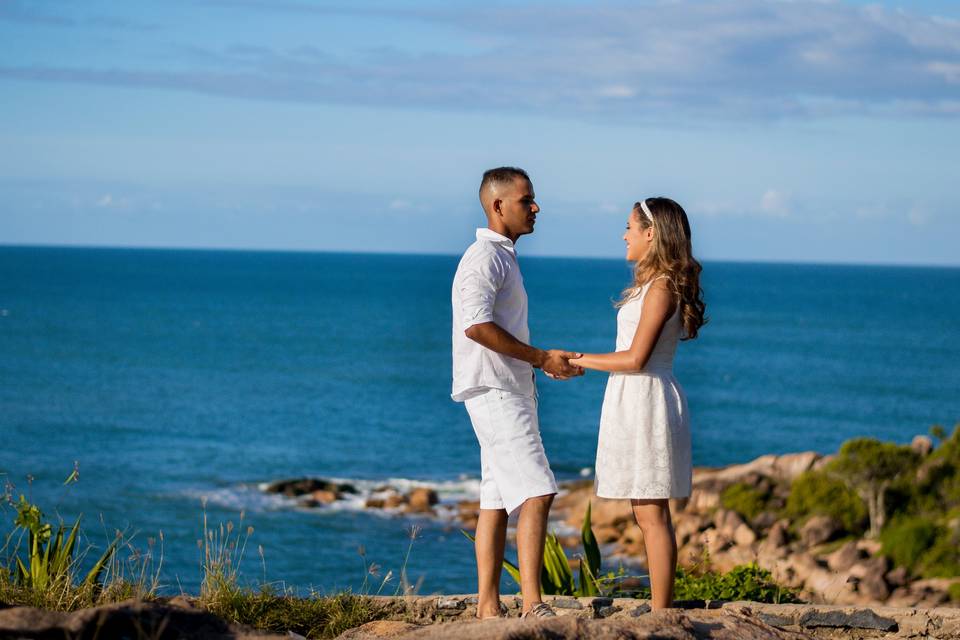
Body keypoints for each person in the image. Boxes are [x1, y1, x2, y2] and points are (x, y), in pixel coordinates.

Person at [451, 167, 583, 620]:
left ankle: (489, 608)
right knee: (537, 490)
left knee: (496, 498)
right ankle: (533, 604)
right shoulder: (485, 257)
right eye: (526, 199)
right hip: (496, 390)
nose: (536, 207)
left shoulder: (501, 257)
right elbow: (476, 326)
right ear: (498, 205)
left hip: (501, 389)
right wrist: (541, 358)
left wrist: (537, 362)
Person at [569, 197, 706, 610]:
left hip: (646, 399)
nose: (624, 234)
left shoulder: (662, 286)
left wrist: (575, 359)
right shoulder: (655, 284)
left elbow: (635, 358)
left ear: (652, 233)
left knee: (651, 514)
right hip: (635, 397)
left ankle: (663, 612)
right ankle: (661, 606)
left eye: (630, 226)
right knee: (646, 512)